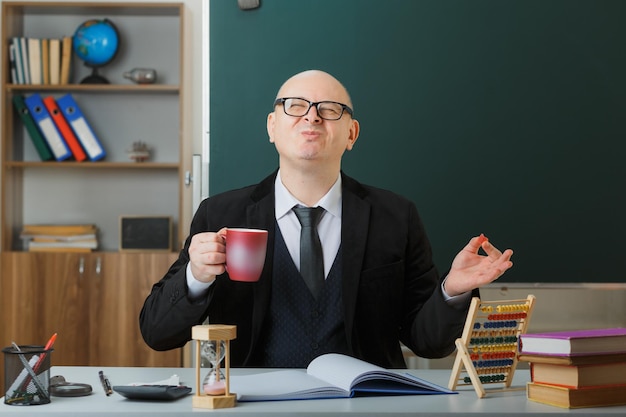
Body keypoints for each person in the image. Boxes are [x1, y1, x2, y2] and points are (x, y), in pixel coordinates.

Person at [139, 69, 513, 369]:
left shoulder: (395, 216)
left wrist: (453, 291)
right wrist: (197, 278)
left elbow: (430, 344)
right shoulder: (220, 214)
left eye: (329, 108)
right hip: (252, 404)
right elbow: (158, 334)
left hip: (368, 404)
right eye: (295, 105)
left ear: (351, 133)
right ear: (272, 126)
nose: (312, 116)